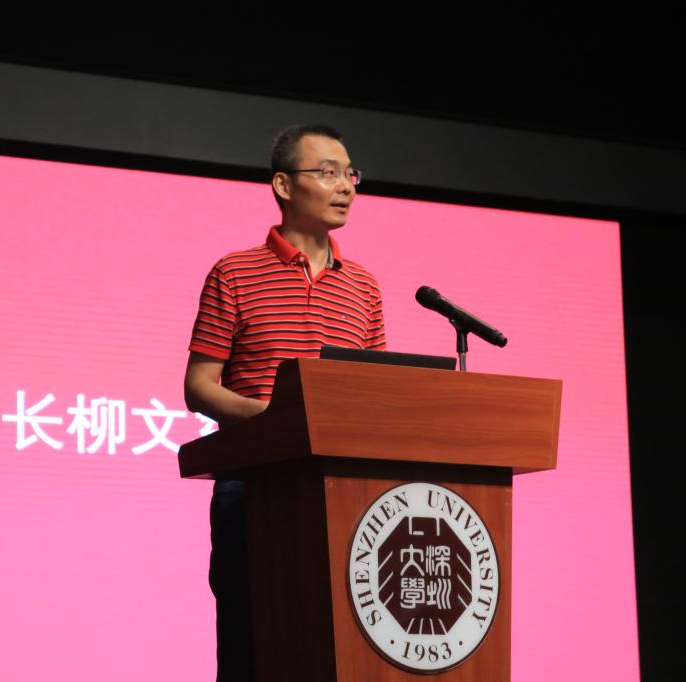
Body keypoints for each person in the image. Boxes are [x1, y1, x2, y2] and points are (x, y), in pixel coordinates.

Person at [183, 124, 386, 681]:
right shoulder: (235, 272)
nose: (345, 186)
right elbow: (199, 385)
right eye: (328, 173)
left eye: (350, 174)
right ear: (283, 185)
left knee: (335, 648)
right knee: (253, 649)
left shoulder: (364, 287)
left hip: (342, 493)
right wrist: (280, 422)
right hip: (254, 487)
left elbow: (376, 392)